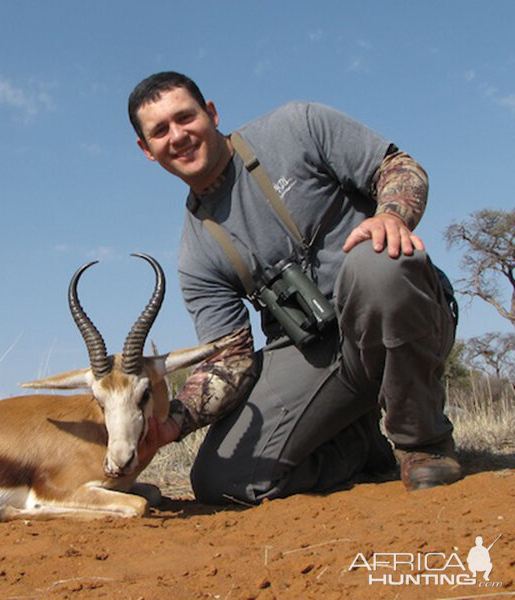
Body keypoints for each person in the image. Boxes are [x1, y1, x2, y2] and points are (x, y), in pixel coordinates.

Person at [129, 71, 461, 505]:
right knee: (220, 481)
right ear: (147, 150)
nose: (178, 136)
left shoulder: (295, 126)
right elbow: (230, 360)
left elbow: (398, 167)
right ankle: (358, 449)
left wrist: (391, 217)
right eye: (160, 131)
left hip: (398, 308)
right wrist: (173, 423)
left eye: (185, 117)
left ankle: (423, 444)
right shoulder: (196, 254)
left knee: (376, 261)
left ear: (210, 113)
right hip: (320, 352)